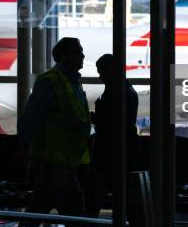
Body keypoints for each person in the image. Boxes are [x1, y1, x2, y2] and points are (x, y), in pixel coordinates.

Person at [17, 37, 91, 224]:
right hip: (54, 162)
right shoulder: (51, 82)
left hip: (64, 162)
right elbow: (31, 118)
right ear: (64, 56)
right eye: (77, 51)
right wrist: (22, 149)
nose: (82, 55)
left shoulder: (72, 82)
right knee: (75, 213)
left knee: (38, 209)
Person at [86, 54, 139, 218]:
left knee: (95, 194)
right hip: (121, 151)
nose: (100, 76)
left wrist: (93, 118)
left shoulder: (115, 92)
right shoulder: (126, 90)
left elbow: (110, 122)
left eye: (101, 71)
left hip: (109, 153)